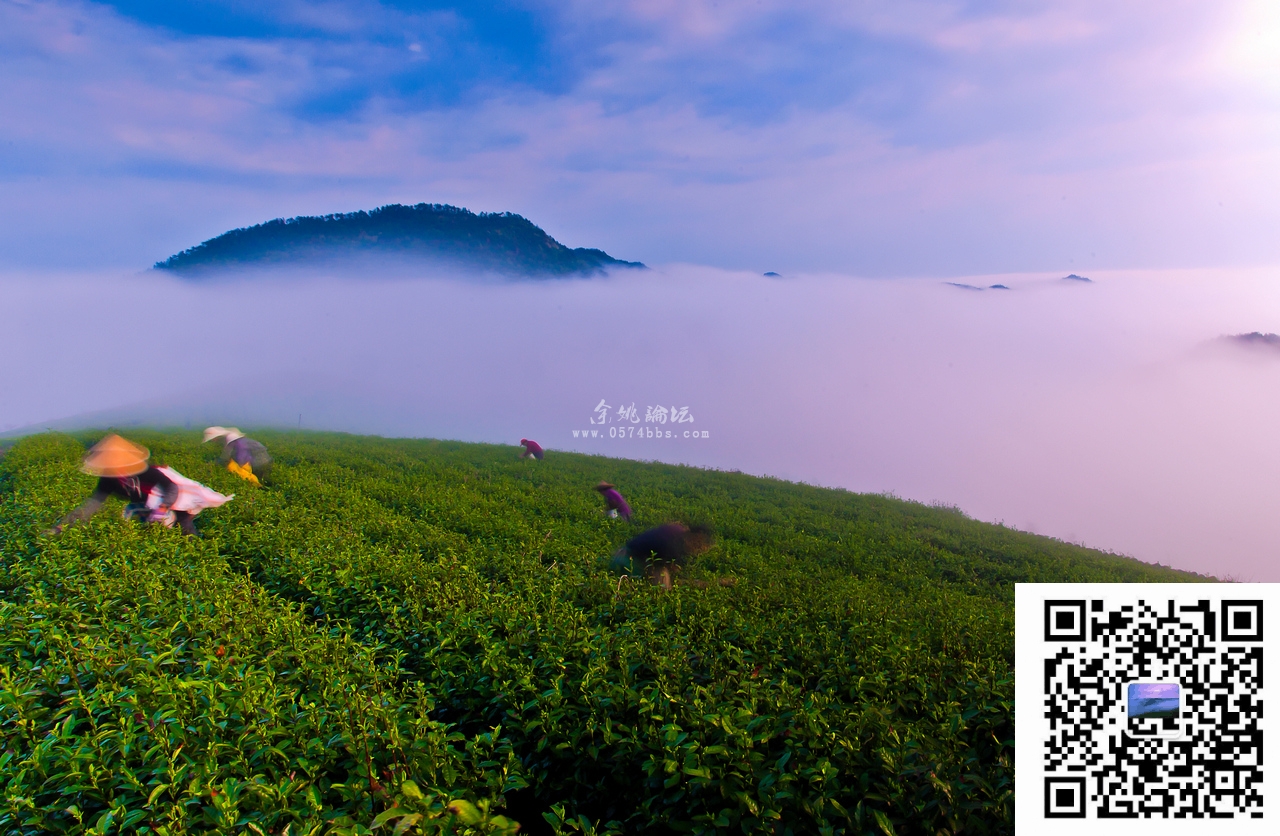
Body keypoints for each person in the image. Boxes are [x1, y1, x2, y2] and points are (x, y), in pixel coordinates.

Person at [49, 434, 233, 537]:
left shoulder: (144, 471)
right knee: (150, 535)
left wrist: (163, 507)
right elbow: (92, 504)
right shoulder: (108, 479)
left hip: (174, 503)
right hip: (145, 508)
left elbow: (171, 487)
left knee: (185, 530)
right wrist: (62, 526)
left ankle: (199, 550)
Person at [607, 522, 714, 590]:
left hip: (624, 554)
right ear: (694, 536)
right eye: (697, 543)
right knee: (662, 588)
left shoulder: (678, 532)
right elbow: (659, 564)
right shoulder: (674, 540)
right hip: (627, 559)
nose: (697, 547)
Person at [203, 426, 272, 485]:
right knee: (263, 481)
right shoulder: (240, 440)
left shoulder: (233, 441)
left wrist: (214, 464)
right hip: (266, 460)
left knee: (255, 482)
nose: (213, 441)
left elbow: (227, 457)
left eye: (212, 439)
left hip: (258, 462)